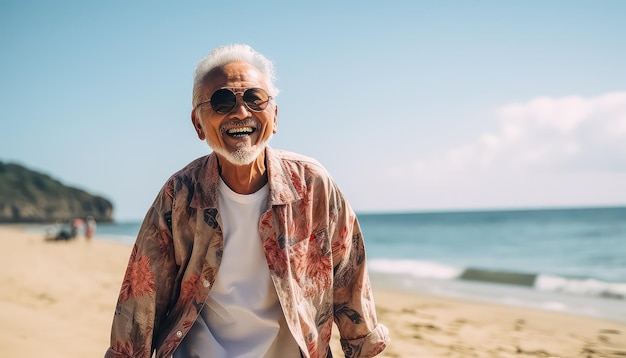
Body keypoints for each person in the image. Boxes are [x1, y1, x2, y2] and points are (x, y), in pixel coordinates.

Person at [105, 43, 390, 358]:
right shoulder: (179, 194)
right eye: (222, 101)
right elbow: (141, 299)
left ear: (275, 116)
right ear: (198, 123)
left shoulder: (312, 185)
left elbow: (350, 285)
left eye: (255, 99)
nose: (241, 113)